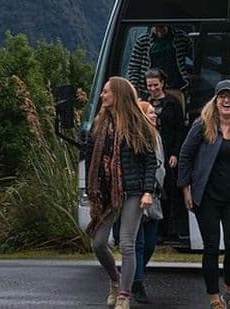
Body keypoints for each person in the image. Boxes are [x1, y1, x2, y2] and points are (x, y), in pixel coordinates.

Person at [177, 79, 230, 309]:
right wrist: (186, 189)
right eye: (222, 96)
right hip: (207, 198)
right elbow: (185, 155)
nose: (226, 100)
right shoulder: (202, 125)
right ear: (215, 101)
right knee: (211, 247)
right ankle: (214, 297)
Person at [86, 77, 158, 309]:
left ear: (117, 94)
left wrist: (149, 190)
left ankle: (124, 296)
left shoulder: (138, 123)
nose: (102, 95)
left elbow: (150, 160)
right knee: (98, 242)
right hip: (108, 192)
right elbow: (92, 159)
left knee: (127, 244)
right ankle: (115, 281)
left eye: (106, 91)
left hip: (133, 191)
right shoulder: (101, 123)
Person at [144, 68, 187, 241]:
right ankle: (156, 229)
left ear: (162, 83)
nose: (153, 89)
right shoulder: (144, 103)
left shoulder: (172, 103)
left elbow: (179, 130)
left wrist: (175, 153)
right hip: (151, 150)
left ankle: (171, 229)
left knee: (169, 189)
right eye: (149, 86)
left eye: (155, 85)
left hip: (169, 151)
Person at [131, 100, 165, 304]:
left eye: (154, 113)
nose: (154, 116)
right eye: (150, 113)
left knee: (151, 242)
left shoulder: (157, 135)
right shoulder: (138, 136)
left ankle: (135, 273)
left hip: (156, 196)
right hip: (141, 194)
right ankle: (138, 282)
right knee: (139, 242)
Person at [127, 25, 192, 102]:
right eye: (156, 28)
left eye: (161, 27)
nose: (159, 32)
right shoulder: (143, 41)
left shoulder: (181, 38)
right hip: (149, 91)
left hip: (175, 88)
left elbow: (195, 54)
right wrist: (134, 89)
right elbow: (134, 67)